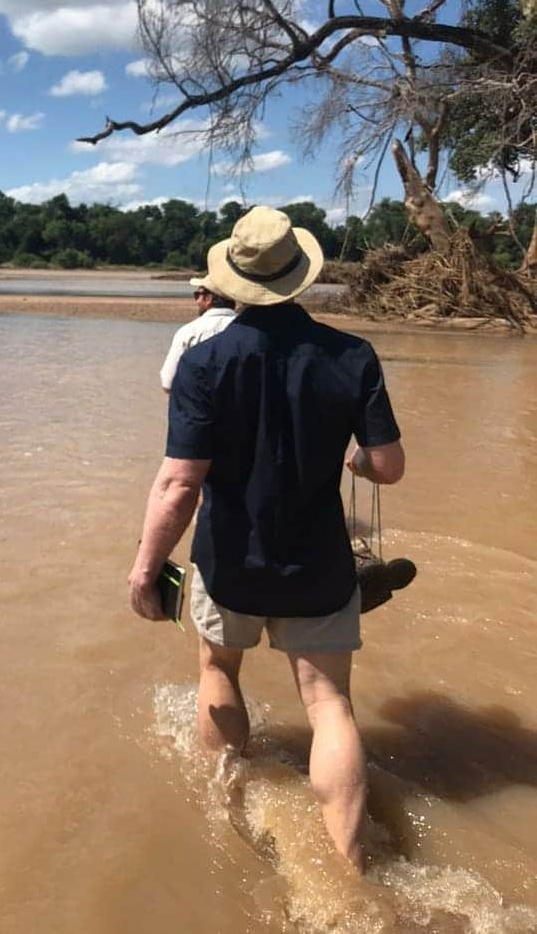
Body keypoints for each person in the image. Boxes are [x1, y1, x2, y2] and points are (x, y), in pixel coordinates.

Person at [127, 206, 405, 871]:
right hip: (320, 565)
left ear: (233, 279)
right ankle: (347, 861)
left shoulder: (204, 360)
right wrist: (359, 462)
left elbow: (179, 484)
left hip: (230, 563)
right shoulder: (352, 356)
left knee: (218, 671)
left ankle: (226, 803)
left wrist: (146, 568)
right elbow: (388, 467)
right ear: (300, 277)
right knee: (330, 704)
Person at [159, 275, 236, 392]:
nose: (196, 300)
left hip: (200, 406)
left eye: (197, 295)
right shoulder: (249, 329)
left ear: (209, 298)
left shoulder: (188, 331)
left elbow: (168, 382)